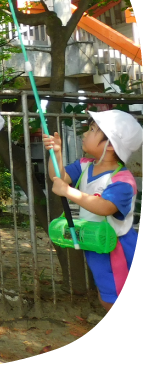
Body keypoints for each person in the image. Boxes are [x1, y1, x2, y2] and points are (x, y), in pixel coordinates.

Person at [44, 110, 143, 315]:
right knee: (108, 296)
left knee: (119, 301)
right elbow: (58, 177)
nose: (85, 134)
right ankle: (127, 340)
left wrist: (68, 192)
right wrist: (56, 153)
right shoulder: (84, 166)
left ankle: (132, 342)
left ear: (110, 145)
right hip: (98, 246)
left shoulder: (122, 181)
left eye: (92, 130)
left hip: (118, 251)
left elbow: (105, 206)